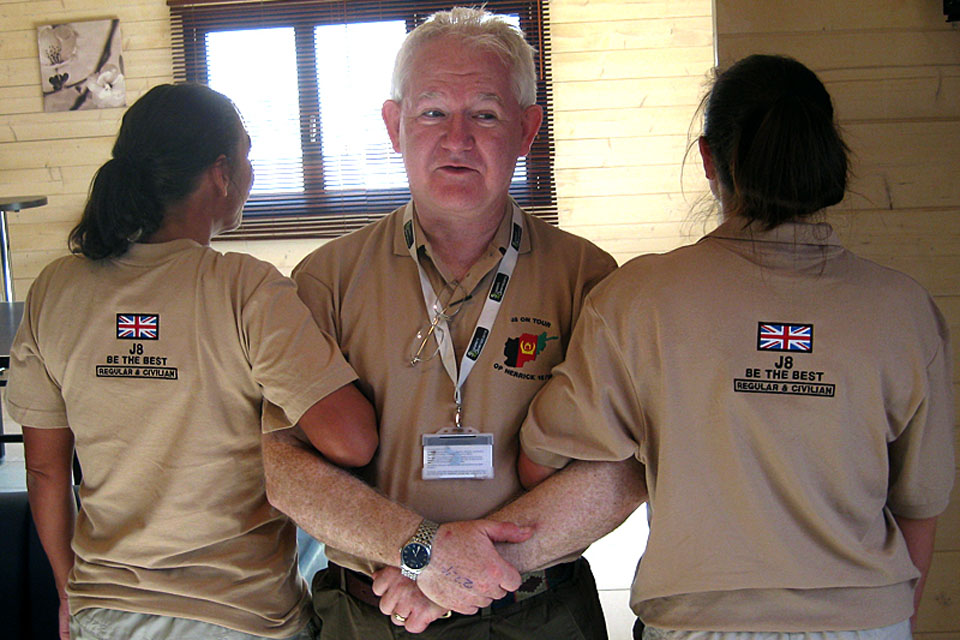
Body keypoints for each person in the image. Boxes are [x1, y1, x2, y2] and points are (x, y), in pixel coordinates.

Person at [511, 54, 955, 639]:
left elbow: (538, 463)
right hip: (870, 621)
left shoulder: (638, 299)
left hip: (700, 625)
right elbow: (920, 504)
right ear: (822, 156)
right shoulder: (905, 310)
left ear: (708, 160)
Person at [262, 6, 618, 639]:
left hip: (536, 614)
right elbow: (283, 468)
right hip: (370, 615)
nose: (457, 138)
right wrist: (419, 549)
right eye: (431, 113)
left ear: (527, 128)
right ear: (395, 125)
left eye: (484, 113)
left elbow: (621, 468)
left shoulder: (590, 279)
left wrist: (471, 570)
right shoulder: (326, 280)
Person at [6, 83, 379, 640]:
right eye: (248, 157)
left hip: (105, 613)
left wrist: (68, 591)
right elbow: (353, 440)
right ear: (221, 173)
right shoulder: (245, 288)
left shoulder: (55, 287)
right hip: (241, 616)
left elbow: (45, 469)